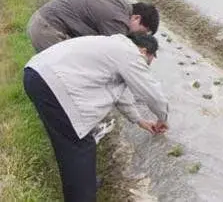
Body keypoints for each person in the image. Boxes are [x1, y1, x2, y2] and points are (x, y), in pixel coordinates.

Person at [24, 33, 170, 202]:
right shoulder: (130, 53)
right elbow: (152, 93)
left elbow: (119, 96)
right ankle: (83, 192)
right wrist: (163, 118)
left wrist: (140, 121)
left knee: (68, 146)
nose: (147, 65)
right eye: (149, 61)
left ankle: (83, 186)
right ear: (144, 51)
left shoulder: (112, 47)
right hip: (53, 85)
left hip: (36, 74)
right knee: (81, 147)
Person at [27, 0, 159, 54]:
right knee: (67, 72)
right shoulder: (118, 19)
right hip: (47, 28)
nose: (137, 35)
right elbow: (116, 53)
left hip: (43, 22)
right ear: (136, 18)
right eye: (141, 31)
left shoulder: (117, 7)